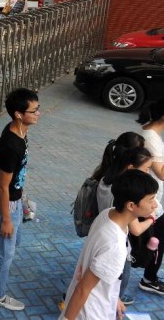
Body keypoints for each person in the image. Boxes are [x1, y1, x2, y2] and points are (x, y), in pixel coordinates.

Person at [60, 170, 159, 320]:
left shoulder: (108, 214)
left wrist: (114, 297)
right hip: (90, 313)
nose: (155, 205)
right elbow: (82, 290)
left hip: (95, 304)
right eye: (151, 199)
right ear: (131, 205)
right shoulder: (114, 245)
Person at [0, 88, 40, 311]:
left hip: (15, 200)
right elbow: (2, 186)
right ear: (19, 114)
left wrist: (22, 197)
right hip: (5, 202)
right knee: (6, 252)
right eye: (34, 110)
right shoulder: (12, 145)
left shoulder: (21, 132)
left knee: (11, 242)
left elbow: (16, 177)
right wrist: (7, 218)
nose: (38, 113)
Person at [137, 99, 164, 294]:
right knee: (157, 239)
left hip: (152, 198)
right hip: (151, 200)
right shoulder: (151, 139)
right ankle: (149, 278)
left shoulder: (148, 132)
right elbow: (161, 173)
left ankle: (149, 276)